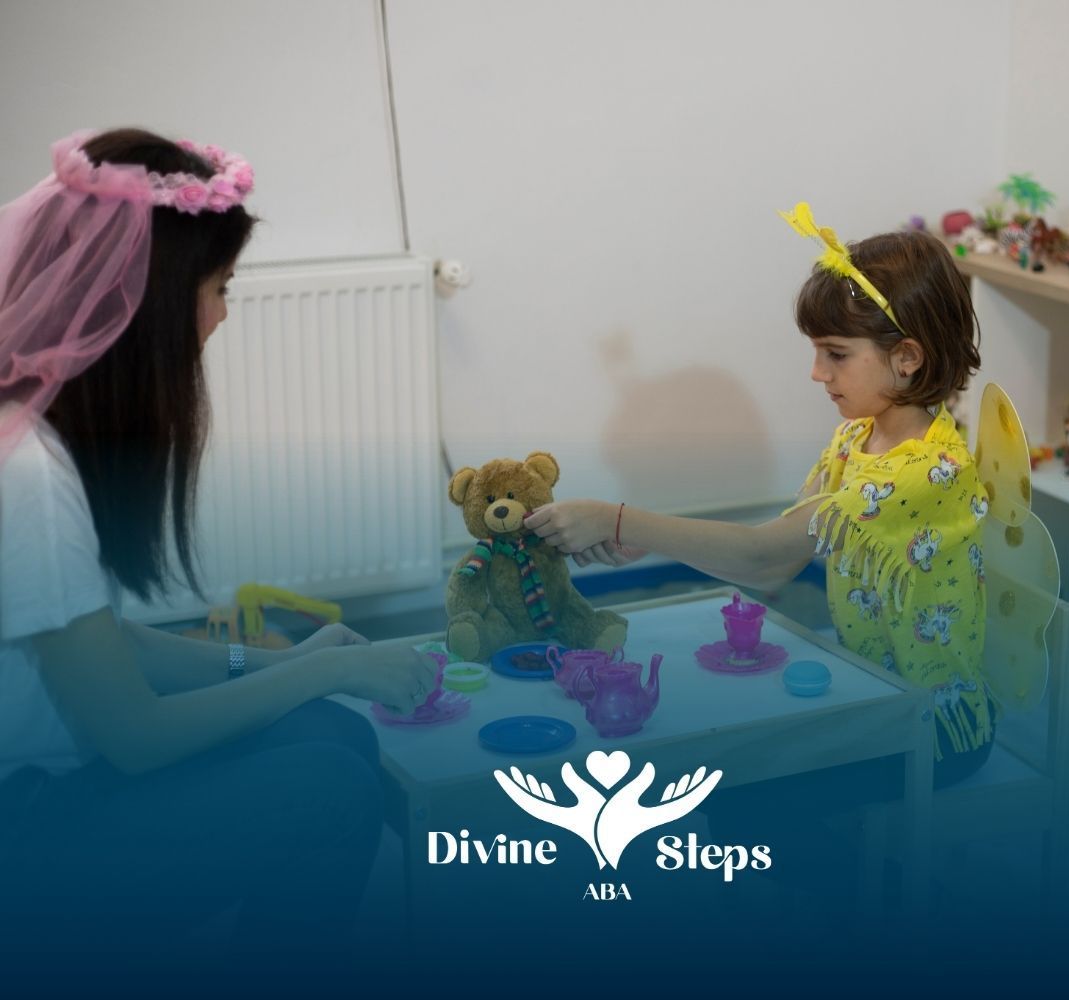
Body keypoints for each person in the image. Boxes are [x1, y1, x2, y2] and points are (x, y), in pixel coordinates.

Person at [0, 129, 438, 986]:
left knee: (332, 733)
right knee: (330, 787)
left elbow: (104, 647)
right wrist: (322, 671)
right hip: (25, 827)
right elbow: (134, 735)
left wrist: (279, 665)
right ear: (149, 302)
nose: (224, 315)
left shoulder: (39, 436)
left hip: (45, 784)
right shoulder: (30, 476)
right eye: (219, 289)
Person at [526, 207, 993, 893]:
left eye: (835, 354)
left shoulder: (921, 473)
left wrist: (621, 520)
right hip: (877, 695)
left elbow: (767, 559)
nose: (816, 372)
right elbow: (783, 547)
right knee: (737, 773)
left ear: (907, 357)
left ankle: (844, 916)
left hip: (933, 728)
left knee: (740, 788)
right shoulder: (862, 436)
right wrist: (633, 538)